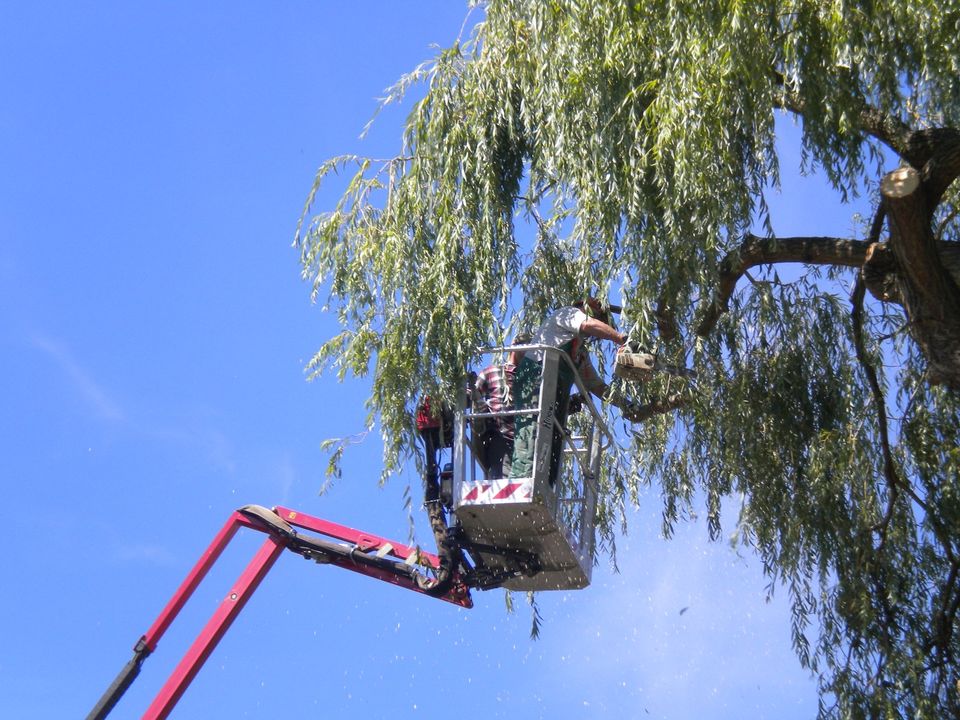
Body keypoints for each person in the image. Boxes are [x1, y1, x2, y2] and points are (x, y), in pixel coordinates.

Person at [509, 298, 628, 482]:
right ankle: (521, 483)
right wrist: (622, 339)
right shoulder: (567, 313)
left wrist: (627, 405)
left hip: (555, 395)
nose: (600, 322)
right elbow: (588, 324)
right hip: (534, 379)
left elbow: (596, 386)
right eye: (599, 317)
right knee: (532, 433)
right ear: (587, 307)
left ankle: (545, 488)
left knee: (553, 440)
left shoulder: (578, 353)